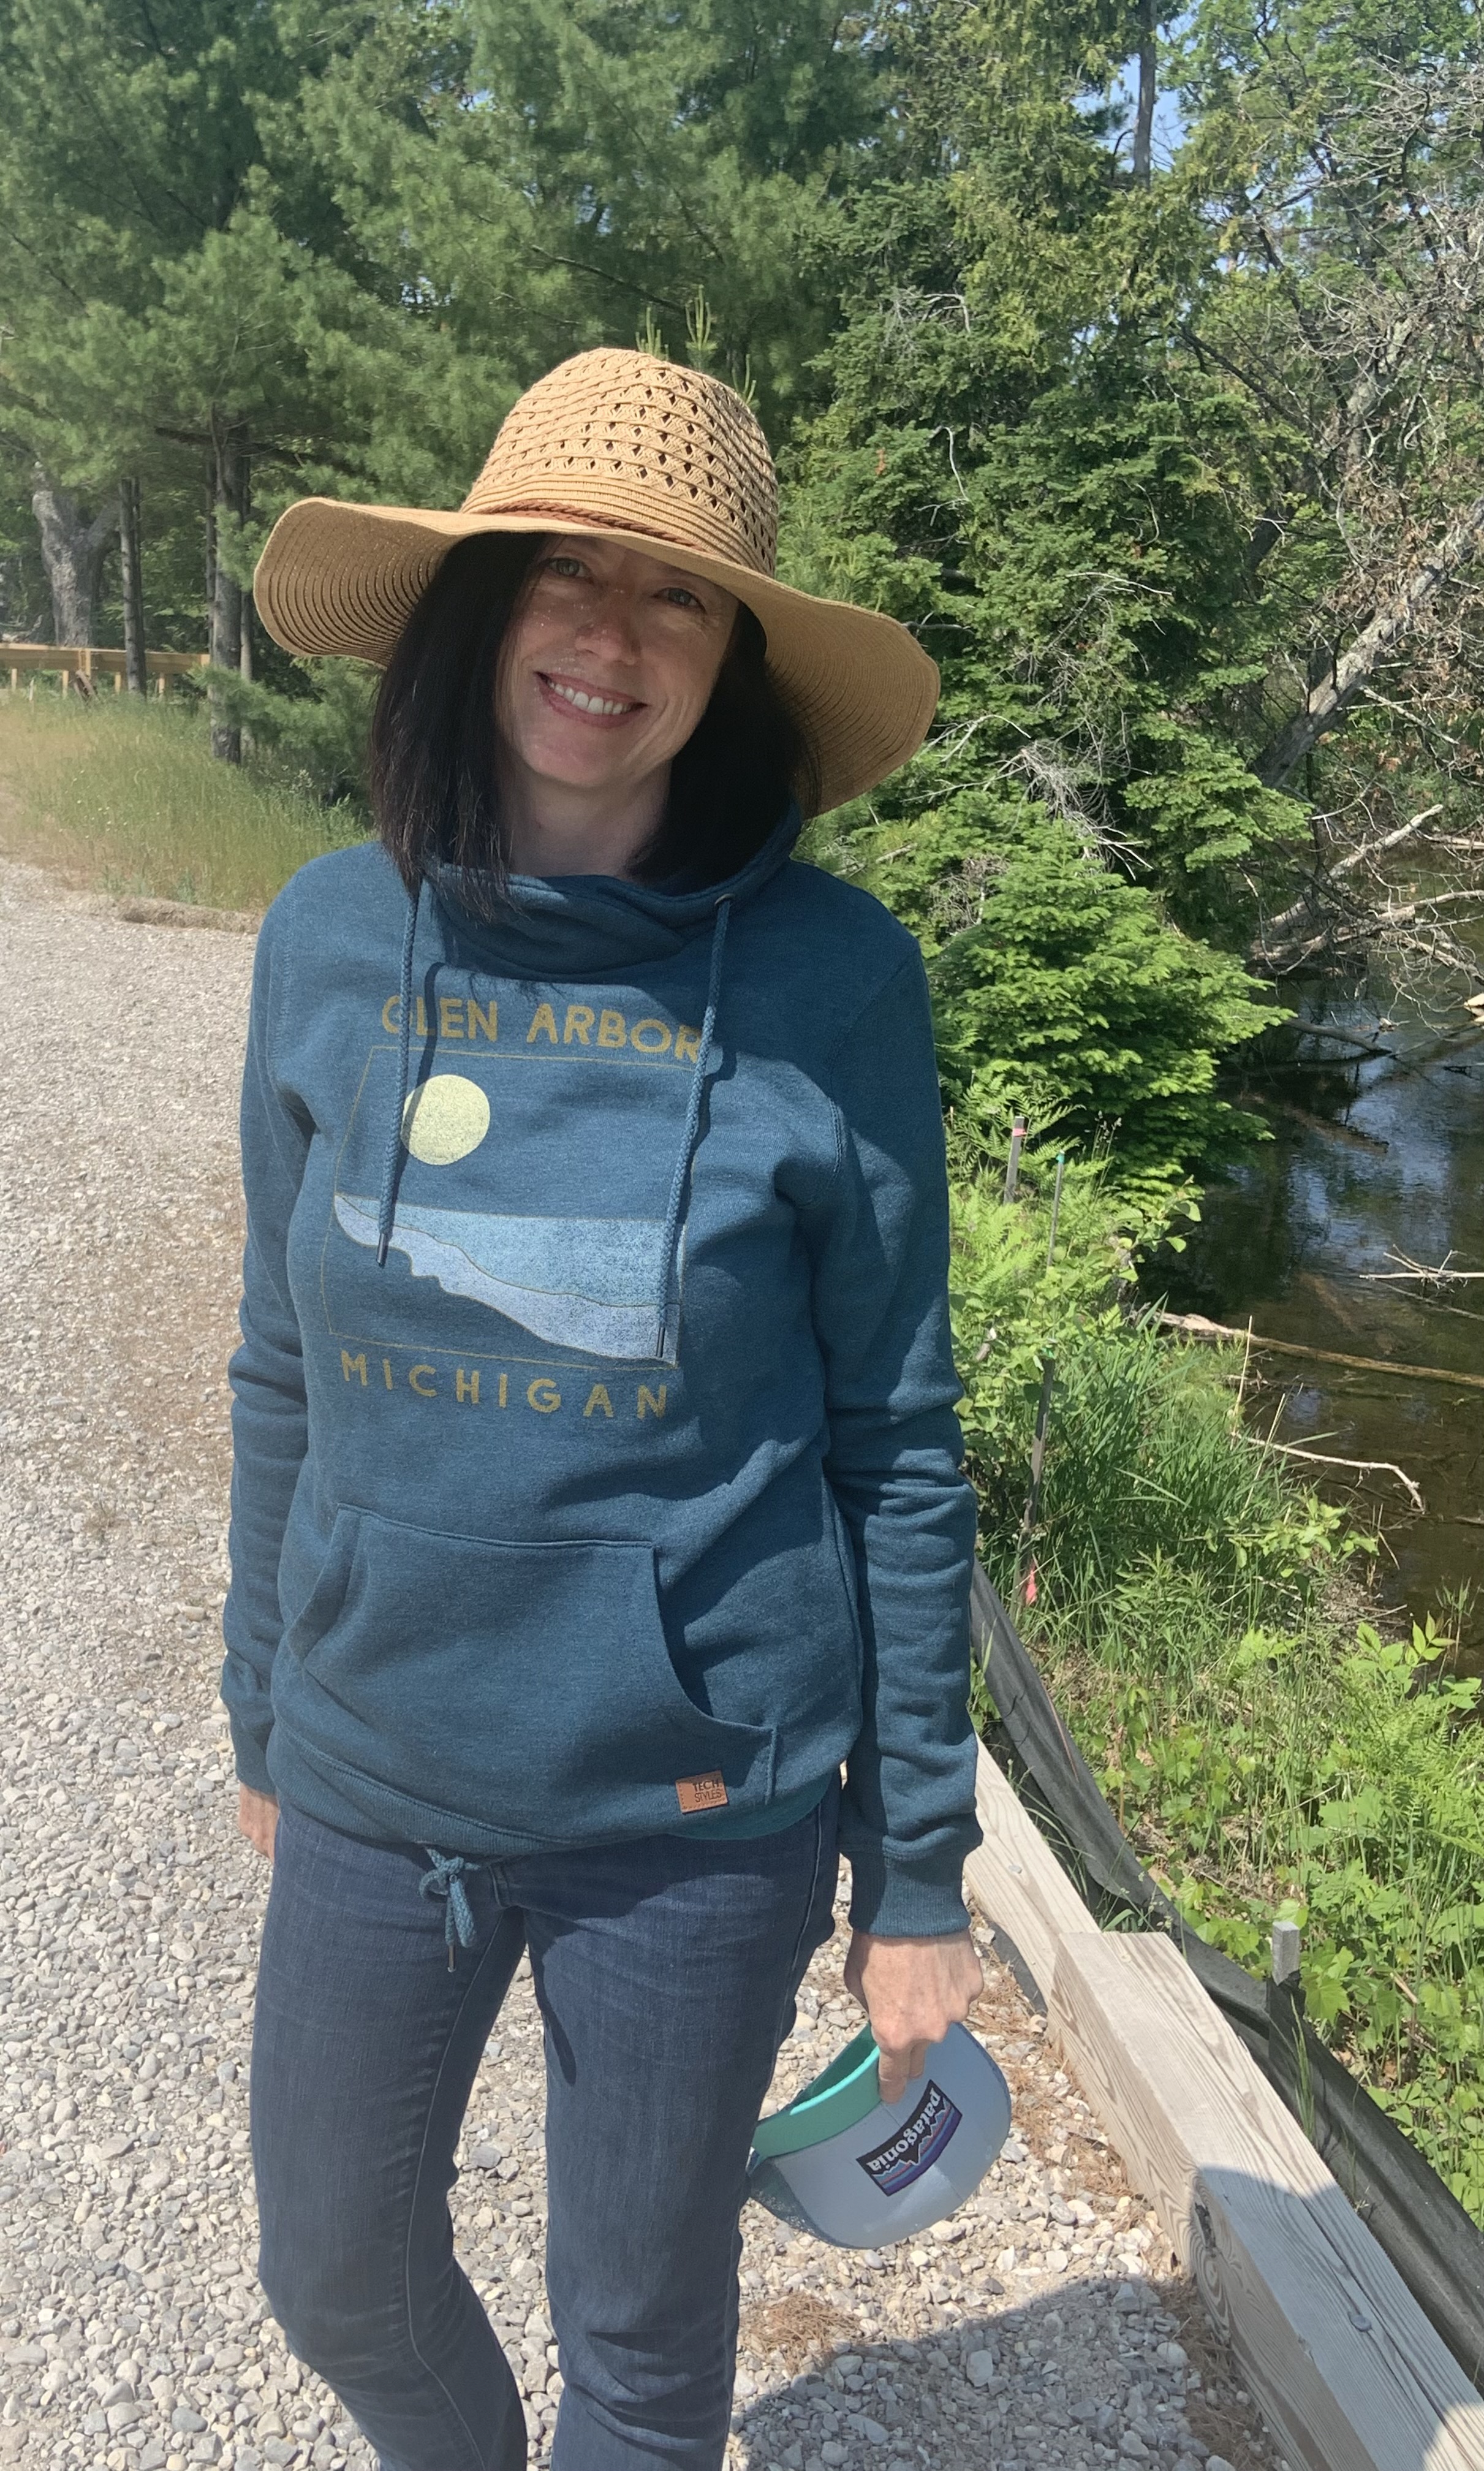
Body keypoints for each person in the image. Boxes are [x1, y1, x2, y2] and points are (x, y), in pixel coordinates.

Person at [223, 347, 983, 2471]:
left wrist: (918, 1870)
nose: (610, 638)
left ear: (732, 663)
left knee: (641, 2345)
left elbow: (898, 1446)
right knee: (332, 2268)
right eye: (565, 572)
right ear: (480, 609)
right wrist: (265, 1699)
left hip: (697, 1813)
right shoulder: (327, 936)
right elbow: (278, 1361)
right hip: (375, 1762)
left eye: (678, 599)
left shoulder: (835, 982)